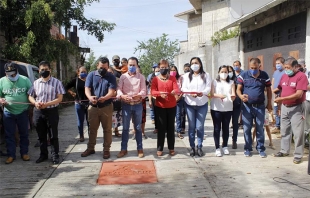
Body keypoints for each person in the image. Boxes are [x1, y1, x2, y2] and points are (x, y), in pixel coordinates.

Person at [28, 61, 65, 164]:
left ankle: (55, 155)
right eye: (42, 70)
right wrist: (35, 103)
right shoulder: (36, 83)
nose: (44, 71)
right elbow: (30, 96)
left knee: (53, 135)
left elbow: (60, 98)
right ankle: (43, 155)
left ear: (50, 70)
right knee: (41, 135)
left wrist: (47, 104)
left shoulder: (57, 82)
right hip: (39, 112)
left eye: (46, 69)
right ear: (39, 71)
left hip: (52, 111)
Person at [273, 57, 308, 164]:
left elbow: (299, 94)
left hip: (297, 107)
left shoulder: (301, 77)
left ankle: (298, 155)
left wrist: (281, 99)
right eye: (285, 67)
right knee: (284, 130)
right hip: (284, 107)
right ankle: (284, 150)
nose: (286, 69)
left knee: (298, 133)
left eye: (288, 68)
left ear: (295, 67)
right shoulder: (284, 75)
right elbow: (279, 88)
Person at [80, 57, 116, 159]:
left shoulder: (111, 77)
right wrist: (90, 97)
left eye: (105, 67)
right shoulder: (91, 75)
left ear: (108, 67)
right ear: (97, 66)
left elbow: (112, 91)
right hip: (93, 107)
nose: (102, 69)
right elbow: (87, 88)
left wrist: (106, 97)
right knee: (92, 129)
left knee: (107, 129)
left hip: (107, 106)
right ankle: (91, 148)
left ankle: (106, 149)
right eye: (101, 67)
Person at [236, 58, 272, 158]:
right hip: (247, 107)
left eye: (255, 68)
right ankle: (247, 148)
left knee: (260, 128)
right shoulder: (244, 75)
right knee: (247, 128)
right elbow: (238, 89)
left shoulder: (264, 75)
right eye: (251, 68)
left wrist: (269, 103)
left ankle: (260, 148)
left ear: (259, 66)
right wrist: (241, 96)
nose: (253, 69)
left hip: (260, 107)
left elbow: (269, 89)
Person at [0, 62, 32, 164]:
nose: (12, 76)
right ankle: (11, 155)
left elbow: (31, 93)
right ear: (5, 73)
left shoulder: (25, 80)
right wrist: (1, 100)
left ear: (17, 71)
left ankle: (24, 153)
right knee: (9, 135)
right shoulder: (1, 81)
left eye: (13, 73)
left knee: (24, 134)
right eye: (9, 74)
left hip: (22, 111)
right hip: (8, 112)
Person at [116, 57, 146, 158]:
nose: (132, 67)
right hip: (126, 105)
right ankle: (123, 149)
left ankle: (140, 148)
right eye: (130, 65)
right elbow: (119, 89)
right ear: (127, 65)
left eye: (134, 65)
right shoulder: (123, 77)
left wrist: (139, 95)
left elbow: (144, 91)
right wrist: (122, 96)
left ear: (137, 65)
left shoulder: (141, 77)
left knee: (138, 128)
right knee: (125, 128)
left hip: (137, 105)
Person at [182, 57, 211, 157]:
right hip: (189, 103)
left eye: (196, 63)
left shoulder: (206, 75)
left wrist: (202, 93)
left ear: (200, 64)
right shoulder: (186, 76)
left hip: (202, 103)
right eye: (192, 63)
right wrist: (190, 94)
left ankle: (199, 146)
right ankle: (192, 147)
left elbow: (208, 87)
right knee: (191, 126)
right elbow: (183, 88)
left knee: (199, 126)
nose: (194, 65)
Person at [151, 60, 179, 156]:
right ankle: (160, 148)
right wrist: (159, 94)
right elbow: (153, 91)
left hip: (171, 106)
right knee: (161, 128)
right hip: (160, 106)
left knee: (171, 127)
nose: (164, 69)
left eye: (165, 67)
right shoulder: (155, 79)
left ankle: (171, 147)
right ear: (159, 68)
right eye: (162, 67)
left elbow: (176, 88)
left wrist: (174, 91)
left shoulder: (172, 78)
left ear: (168, 67)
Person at [210, 65, 235, 157]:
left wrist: (233, 97)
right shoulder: (215, 82)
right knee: (217, 128)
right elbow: (212, 94)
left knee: (226, 128)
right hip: (216, 108)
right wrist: (219, 95)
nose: (224, 74)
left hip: (228, 108)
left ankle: (225, 146)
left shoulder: (232, 82)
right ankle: (217, 148)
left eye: (226, 72)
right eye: (222, 72)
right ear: (219, 72)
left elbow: (233, 93)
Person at [65, 66, 89, 142]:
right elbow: (65, 87)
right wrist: (71, 92)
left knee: (90, 120)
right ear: (78, 72)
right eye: (82, 72)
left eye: (85, 72)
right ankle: (81, 135)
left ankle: (91, 135)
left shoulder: (89, 80)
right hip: (79, 103)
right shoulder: (75, 81)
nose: (83, 73)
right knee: (80, 120)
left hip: (89, 103)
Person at [271, 57, 285, 134]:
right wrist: (273, 91)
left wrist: (275, 90)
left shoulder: (285, 72)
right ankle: (277, 126)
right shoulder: (275, 72)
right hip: (275, 94)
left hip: (282, 94)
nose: (277, 65)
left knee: (281, 110)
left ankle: (283, 128)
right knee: (276, 110)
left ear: (283, 63)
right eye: (276, 64)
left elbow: (283, 85)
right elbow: (273, 81)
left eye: (279, 63)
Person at [231, 61, 244, 149]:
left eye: (237, 65)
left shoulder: (243, 75)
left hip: (237, 101)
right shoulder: (231, 76)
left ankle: (234, 140)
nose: (236, 67)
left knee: (235, 122)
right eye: (234, 66)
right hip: (227, 103)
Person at [297, 58, 309, 148]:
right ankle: (304, 141)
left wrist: (301, 86)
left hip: (308, 98)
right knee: (304, 121)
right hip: (304, 100)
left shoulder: (308, 73)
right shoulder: (297, 74)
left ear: (304, 65)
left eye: (300, 65)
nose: (299, 67)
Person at [170, 65, 184, 139]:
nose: (173, 72)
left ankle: (178, 131)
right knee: (171, 116)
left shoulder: (180, 78)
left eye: (174, 70)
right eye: (171, 70)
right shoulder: (168, 79)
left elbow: (183, 88)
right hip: (171, 99)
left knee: (178, 116)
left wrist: (179, 97)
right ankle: (170, 131)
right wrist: (175, 97)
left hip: (179, 99)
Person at [148, 65, 160, 134]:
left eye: (158, 71)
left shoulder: (164, 78)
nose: (157, 72)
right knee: (156, 114)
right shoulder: (152, 79)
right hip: (154, 99)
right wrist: (149, 100)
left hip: (162, 99)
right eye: (156, 71)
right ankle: (156, 128)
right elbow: (149, 91)